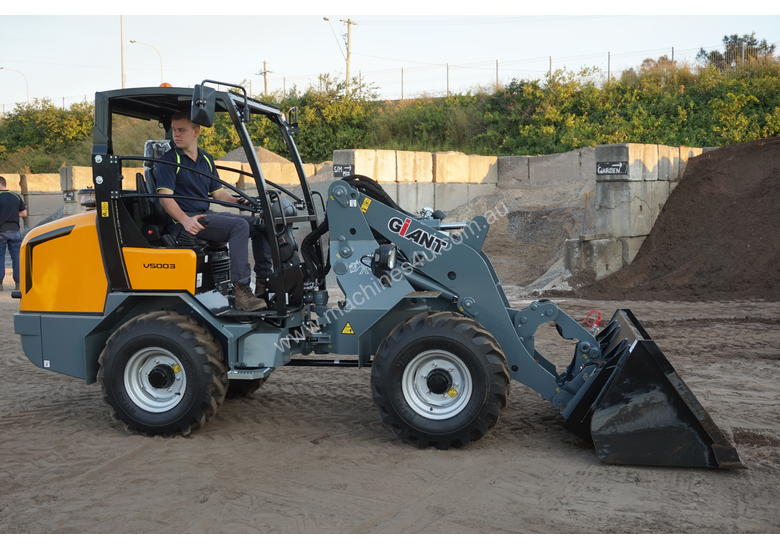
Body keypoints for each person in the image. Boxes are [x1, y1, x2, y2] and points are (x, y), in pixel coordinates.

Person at [155, 110, 272, 312]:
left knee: (260, 224)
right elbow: (165, 197)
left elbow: (218, 194)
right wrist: (184, 220)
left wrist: (240, 201)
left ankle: (263, 282)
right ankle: (242, 290)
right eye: (174, 130)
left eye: (181, 130)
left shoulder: (206, 159)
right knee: (239, 226)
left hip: (203, 216)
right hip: (185, 221)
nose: (176, 135)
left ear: (196, 131)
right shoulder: (169, 160)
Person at [0, 176, 27, 291]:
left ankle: (0, 285)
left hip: (1, 231)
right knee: (16, 258)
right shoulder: (16, 196)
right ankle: (18, 284)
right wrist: (13, 215)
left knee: (0, 257)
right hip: (15, 231)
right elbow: (24, 214)